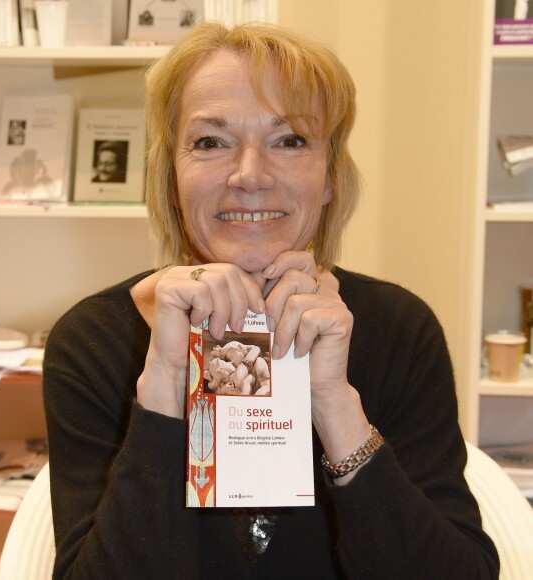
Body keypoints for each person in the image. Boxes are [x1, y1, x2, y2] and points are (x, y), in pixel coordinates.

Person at [43, 22, 500, 579]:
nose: (249, 175)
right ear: (171, 178)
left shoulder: (400, 328)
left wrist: (335, 404)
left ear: (330, 175)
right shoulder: (92, 343)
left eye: (290, 140)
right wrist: (164, 381)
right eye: (210, 141)